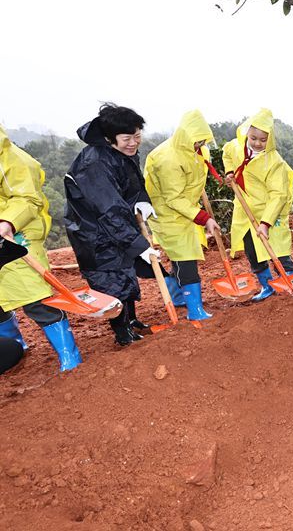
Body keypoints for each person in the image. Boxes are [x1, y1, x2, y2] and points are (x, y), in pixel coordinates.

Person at [64, 104, 160, 346]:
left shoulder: (122, 152)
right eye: (127, 138)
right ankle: (122, 333)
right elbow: (109, 210)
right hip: (95, 232)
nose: (134, 143)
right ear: (109, 138)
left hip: (117, 225)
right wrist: (138, 245)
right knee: (112, 280)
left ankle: (131, 321)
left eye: (137, 136)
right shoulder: (94, 164)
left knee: (126, 272)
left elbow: (133, 182)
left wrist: (142, 200)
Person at [0, 124, 82, 372]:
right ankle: (14, 346)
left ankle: (70, 355)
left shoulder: (13, 159)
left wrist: (8, 221)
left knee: (36, 298)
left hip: (16, 236)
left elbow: (27, 198)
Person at [144, 110, 220, 321]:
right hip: (168, 215)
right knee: (186, 259)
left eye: (203, 141)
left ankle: (178, 296)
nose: (201, 146)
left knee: (180, 258)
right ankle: (195, 310)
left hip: (185, 212)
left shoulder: (196, 150)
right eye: (197, 142)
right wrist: (204, 218)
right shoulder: (167, 158)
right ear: (186, 137)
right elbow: (174, 198)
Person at [222, 109, 293, 302]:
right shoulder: (237, 147)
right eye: (253, 137)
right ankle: (266, 285)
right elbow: (226, 153)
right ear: (247, 133)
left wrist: (266, 223)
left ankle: (289, 279)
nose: (257, 143)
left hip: (269, 212)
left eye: (263, 140)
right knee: (253, 251)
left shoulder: (274, 162)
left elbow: (278, 195)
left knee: (278, 249)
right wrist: (230, 172)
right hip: (245, 211)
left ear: (270, 140)